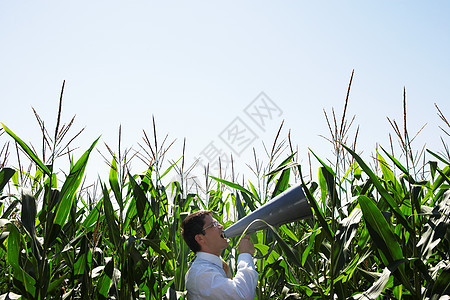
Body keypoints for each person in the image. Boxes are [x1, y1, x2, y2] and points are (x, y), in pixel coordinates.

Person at [181, 210, 258, 300]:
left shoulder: (212, 267)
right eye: (213, 225)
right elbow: (243, 296)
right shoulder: (201, 273)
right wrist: (245, 255)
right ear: (200, 238)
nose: (221, 226)